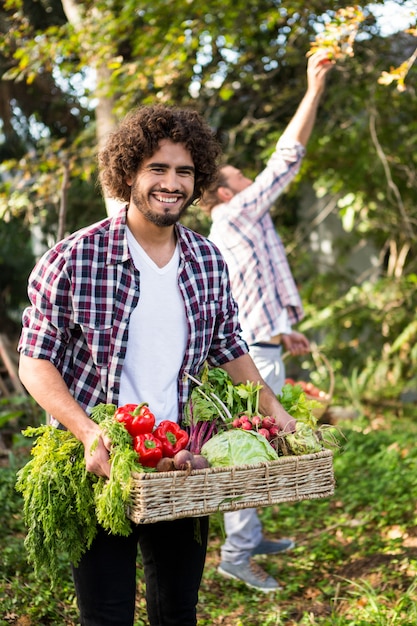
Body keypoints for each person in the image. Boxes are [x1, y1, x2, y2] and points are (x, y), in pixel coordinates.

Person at [17, 104, 299, 625]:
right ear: (128, 174)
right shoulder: (75, 258)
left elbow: (228, 345)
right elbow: (35, 361)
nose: (172, 183)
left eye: (184, 172)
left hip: (178, 459)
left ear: (198, 183)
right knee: (106, 614)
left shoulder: (207, 260)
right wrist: (85, 434)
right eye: (158, 169)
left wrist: (274, 410)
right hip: (99, 463)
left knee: (177, 609)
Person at [200, 49, 335, 592]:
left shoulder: (239, 225)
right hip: (251, 356)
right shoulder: (236, 213)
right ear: (230, 192)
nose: (253, 180)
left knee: (258, 448)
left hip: (261, 341)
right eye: (242, 176)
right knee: (250, 454)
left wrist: (283, 328)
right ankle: (236, 554)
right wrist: (314, 89)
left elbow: (247, 292)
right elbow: (287, 157)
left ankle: (249, 539)